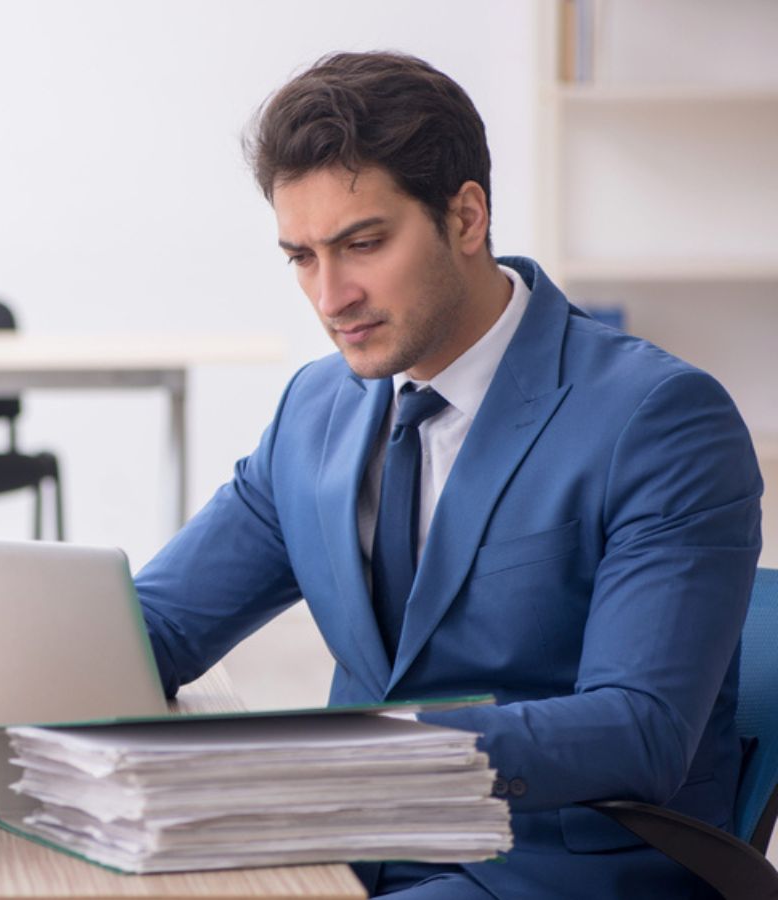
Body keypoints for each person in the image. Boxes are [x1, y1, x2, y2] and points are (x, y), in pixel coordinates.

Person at [136, 51, 763, 899]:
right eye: (301, 257)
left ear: (466, 217)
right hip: (353, 846)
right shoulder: (316, 410)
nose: (331, 296)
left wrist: (358, 755)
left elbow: (639, 729)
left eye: (362, 244)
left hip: (557, 866)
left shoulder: (657, 418)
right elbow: (163, 623)